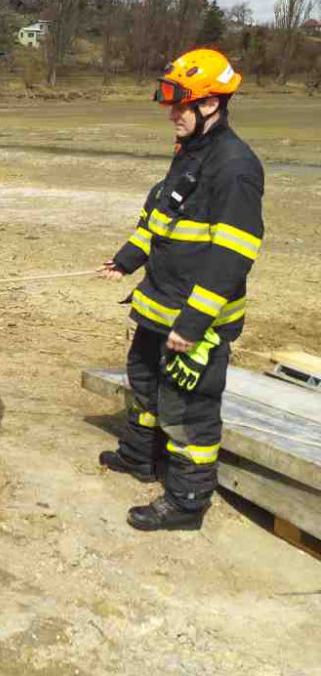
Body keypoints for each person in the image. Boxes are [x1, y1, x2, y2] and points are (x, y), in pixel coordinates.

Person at [97, 49, 264, 531]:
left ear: (211, 104)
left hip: (194, 320)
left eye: (181, 105)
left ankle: (187, 502)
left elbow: (232, 256)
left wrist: (192, 324)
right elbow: (163, 218)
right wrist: (127, 259)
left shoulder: (235, 168)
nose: (172, 114)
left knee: (188, 408)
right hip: (158, 305)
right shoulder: (189, 152)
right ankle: (139, 456)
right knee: (144, 381)